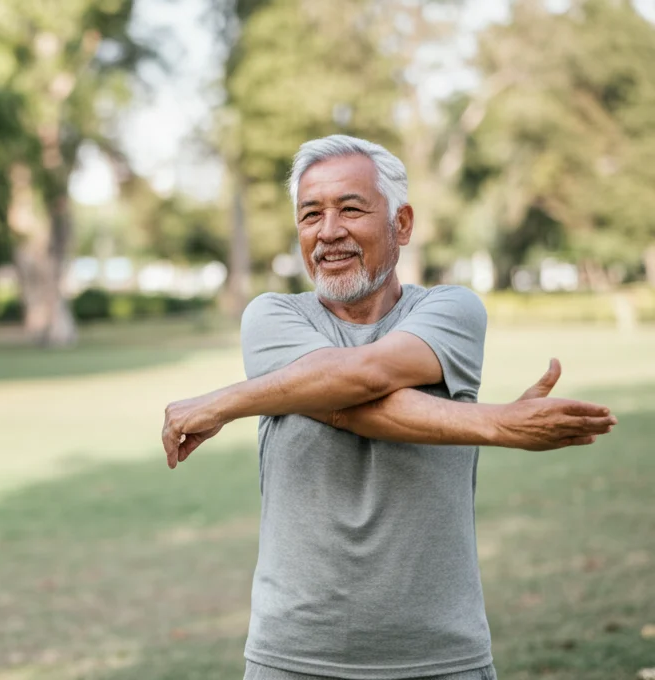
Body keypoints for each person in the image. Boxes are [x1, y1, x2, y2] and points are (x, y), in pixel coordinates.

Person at [160, 135, 617, 680]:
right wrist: (499, 424)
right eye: (311, 215)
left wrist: (222, 402)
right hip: (294, 655)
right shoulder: (271, 317)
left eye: (350, 209)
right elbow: (345, 396)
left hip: (443, 655)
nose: (329, 231)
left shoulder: (452, 309)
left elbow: (362, 381)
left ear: (401, 224)